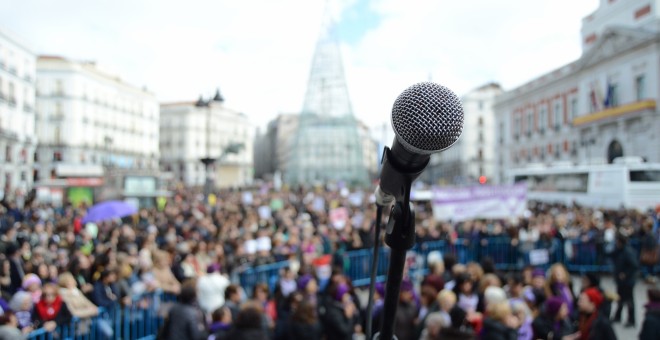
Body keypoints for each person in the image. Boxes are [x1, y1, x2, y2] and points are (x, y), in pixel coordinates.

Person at [612, 233, 639, 327]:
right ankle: (617, 316)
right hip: (622, 281)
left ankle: (631, 320)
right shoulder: (620, 251)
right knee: (620, 299)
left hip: (627, 281)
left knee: (628, 301)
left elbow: (634, 265)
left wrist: (625, 274)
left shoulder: (627, 252)